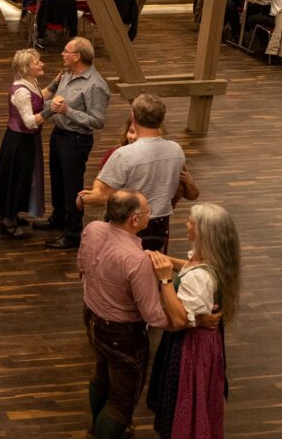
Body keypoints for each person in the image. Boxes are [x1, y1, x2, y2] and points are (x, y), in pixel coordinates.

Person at [77, 189, 186, 439]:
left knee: (102, 375)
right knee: (120, 404)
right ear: (134, 220)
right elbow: (154, 317)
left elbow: (81, 266)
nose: (150, 215)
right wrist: (187, 318)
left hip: (92, 318)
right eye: (148, 212)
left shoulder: (93, 228)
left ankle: (95, 427)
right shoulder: (136, 260)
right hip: (123, 335)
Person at [147, 202, 241, 439]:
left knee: (187, 399)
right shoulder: (216, 260)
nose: (186, 223)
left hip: (192, 349)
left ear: (203, 233)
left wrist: (165, 279)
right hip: (207, 344)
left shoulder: (199, 279)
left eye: (191, 221)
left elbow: (179, 318)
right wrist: (160, 258)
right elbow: (190, 267)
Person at [76, 94, 196, 253]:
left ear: (134, 117)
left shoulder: (123, 155)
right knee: (154, 267)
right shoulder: (176, 150)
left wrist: (82, 199)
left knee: (124, 269)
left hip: (129, 224)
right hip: (160, 224)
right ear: (161, 119)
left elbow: (102, 197)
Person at [34, 38, 110, 250]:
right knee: (57, 180)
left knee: (72, 186)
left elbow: (97, 121)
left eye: (66, 51)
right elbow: (54, 100)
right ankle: (58, 218)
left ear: (77, 56)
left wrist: (68, 111)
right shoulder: (67, 75)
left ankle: (72, 233)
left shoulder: (95, 85)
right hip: (59, 134)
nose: (62, 54)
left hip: (76, 140)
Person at [0, 49, 47, 238]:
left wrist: (57, 83)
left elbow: (40, 97)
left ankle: (10, 213)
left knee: (18, 177)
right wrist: (51, 111)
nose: (42, 64)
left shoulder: (31, 83)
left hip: (21, 140)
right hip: (19, 141)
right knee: (17, 178)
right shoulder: (21, 91)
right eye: (37, 62)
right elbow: (29, 121)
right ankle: (9, 221)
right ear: (27, 67)